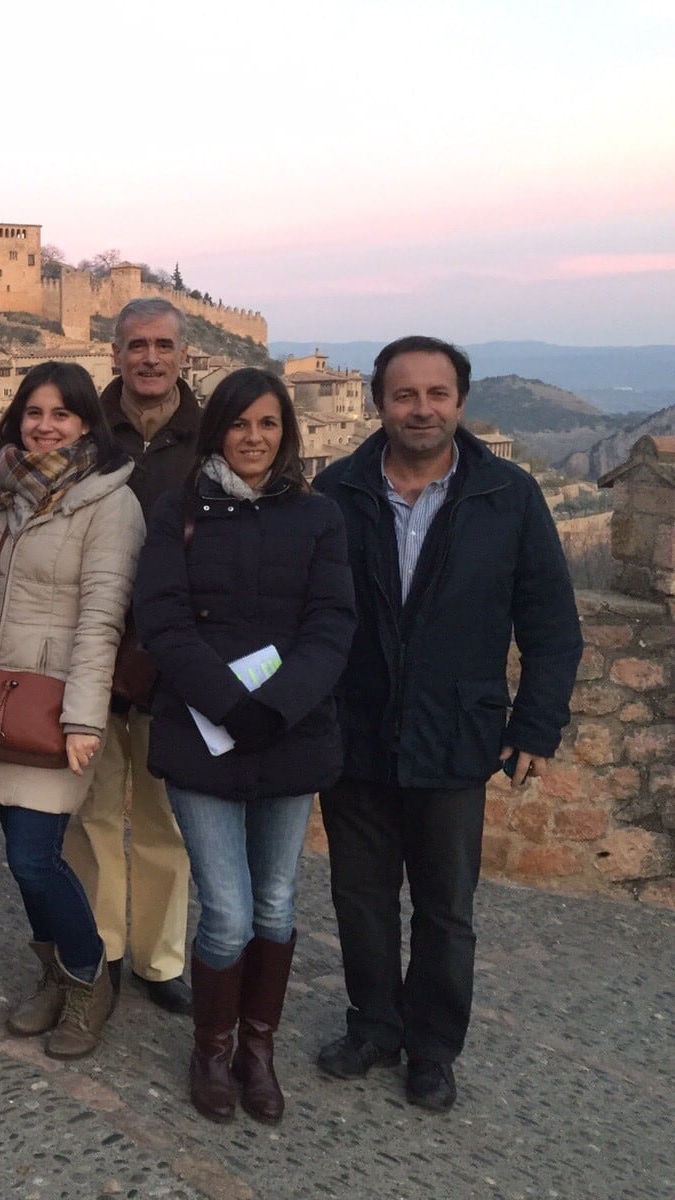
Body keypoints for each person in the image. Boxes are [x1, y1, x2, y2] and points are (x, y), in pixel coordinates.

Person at [312, 336, 582, 1112]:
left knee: (445, 908)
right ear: (378, 403)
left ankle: (432, 1048)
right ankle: (373, 1027)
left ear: (460, 403)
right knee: (359, 896)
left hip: (457, 734)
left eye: (437, 394)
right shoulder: (337, 491)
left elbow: (551, 623)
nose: (421, 409)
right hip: (357, 732)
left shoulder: (508, 495)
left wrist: (535, 725)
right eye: (405, 395)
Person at [134, 367, 355, 1123]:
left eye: (268, 424)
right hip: (205, 735)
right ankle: (212, 1050)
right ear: (217, 431)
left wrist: (279, 706)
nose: (254, 438)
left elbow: (333, 626)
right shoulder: (178, 513)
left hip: (290, 738)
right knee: (226, 909)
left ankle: (258, 1053)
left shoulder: (319, 518)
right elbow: (162, 620)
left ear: (285, 432)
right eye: (239, 424)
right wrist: (232, 705)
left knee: (277, 904)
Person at [0, 362, 143, 1060]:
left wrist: (85, 721)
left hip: (56, 706)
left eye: (61, 414)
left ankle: (91, 979)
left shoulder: (110, 504)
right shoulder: (10, 496)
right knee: (21, 857)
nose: (44, 425)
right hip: (1, 701)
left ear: (87, 422)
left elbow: (102, 620)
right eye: (33, 412)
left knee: (34, 858)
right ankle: (55, 976)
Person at [64, 298, 198, 1013]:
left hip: (175, 663)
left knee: (162, 817)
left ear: (185, 355)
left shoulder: (210, 435)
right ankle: (105, 948)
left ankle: (160, 957)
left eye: (163, 345)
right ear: (114, 354)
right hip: (91, 655)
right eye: (136, 345)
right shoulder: (87, 430)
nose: (150, 357)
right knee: (88, 817)